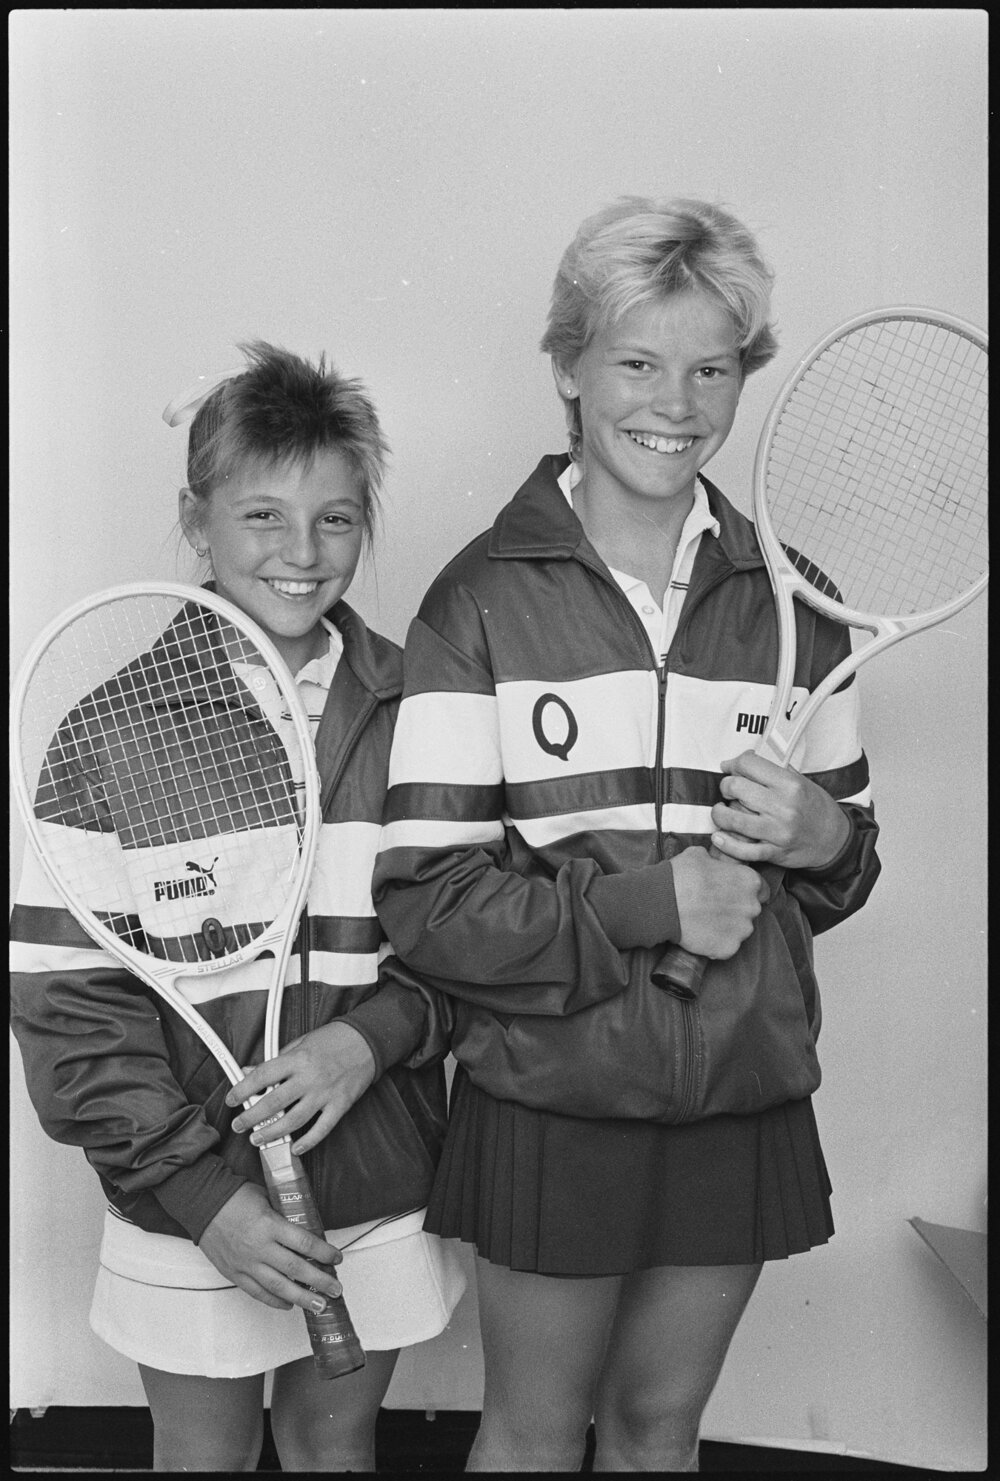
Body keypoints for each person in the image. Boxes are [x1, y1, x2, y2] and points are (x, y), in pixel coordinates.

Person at [373, 198, 881, 1472]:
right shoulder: (478, 600)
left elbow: (843, 869)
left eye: (711, 366)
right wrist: (651, 905)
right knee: (537, 1433)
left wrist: (823, 835)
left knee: (659, 1431)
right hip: (554, 1093)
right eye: (638, 361)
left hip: (740, 1090)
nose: (678, 400)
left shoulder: (795, 604)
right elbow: (426, 901)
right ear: (568, 368)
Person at [10, 342, 465, 1473]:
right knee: (201, 1457)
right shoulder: (106, 735)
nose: (301, 555)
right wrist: (208, 1198)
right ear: (195, 517)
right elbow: (70, 1014)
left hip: (376, 1177)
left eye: (337, 520)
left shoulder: (429, 710)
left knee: (334, 1449)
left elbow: (476, 945)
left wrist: (370, 1041)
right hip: (185, 1201)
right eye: (262, 515)